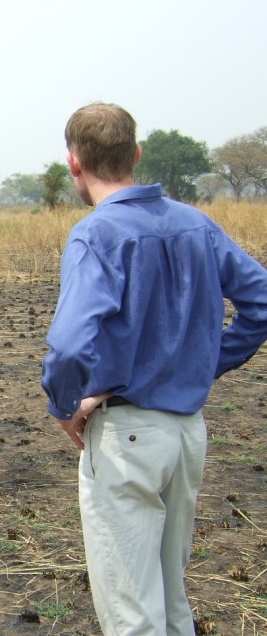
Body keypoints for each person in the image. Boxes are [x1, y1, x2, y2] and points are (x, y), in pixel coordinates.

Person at [41, 103, 267, 635]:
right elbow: (260, 302)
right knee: (169, 598)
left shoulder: (96, 235)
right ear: (136, 154)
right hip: (187, 434)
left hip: (128, 438)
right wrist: (204, 363)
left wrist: (65, 403)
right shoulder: (195, 223)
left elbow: (69, 346)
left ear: (74, 163)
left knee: (131, 613)